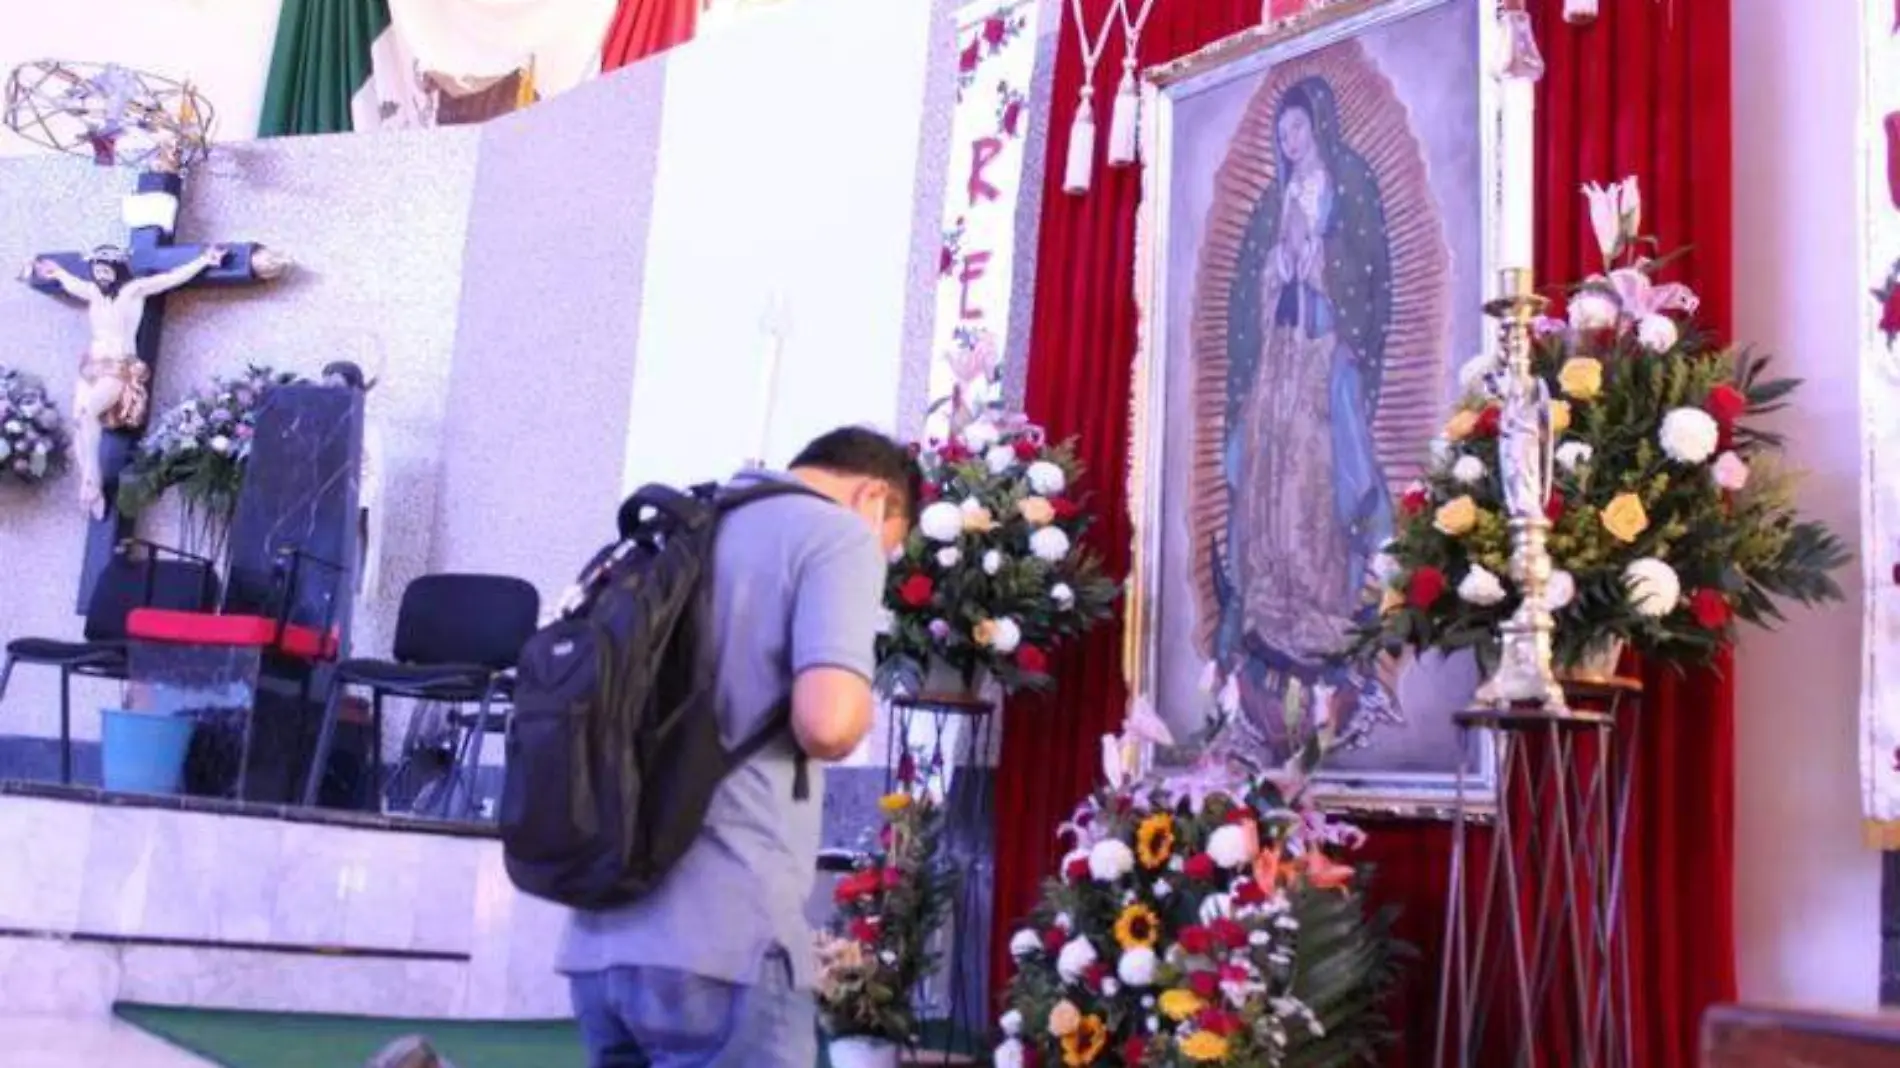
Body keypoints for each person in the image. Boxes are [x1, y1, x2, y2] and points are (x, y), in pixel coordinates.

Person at [557, 425, 918, 1068]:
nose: (879, 563)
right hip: (726, 938)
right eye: (887, 550)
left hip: (600, 939)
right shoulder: (835, 536)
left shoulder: (681, 530)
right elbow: (828, 723)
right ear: (873, 498)